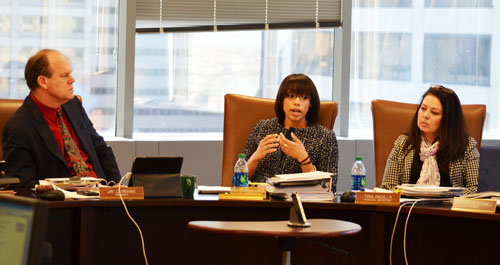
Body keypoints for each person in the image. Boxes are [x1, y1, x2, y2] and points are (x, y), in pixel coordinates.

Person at [1, 49, 121, 189]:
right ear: (43, 81)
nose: (72, 80)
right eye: (65, 75)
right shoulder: (19, 127)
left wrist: (119, 189)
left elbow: (99, 147)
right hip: (64, 203)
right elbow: (24, 185)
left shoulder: (73, 105)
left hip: (101, 193)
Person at [380, 85, 479, 195]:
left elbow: (475, 189)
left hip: (449, 210)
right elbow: (387, 187)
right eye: (423, 108)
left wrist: (452, 201)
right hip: (408, 209)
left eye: (435, 112)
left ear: (448, 119)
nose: (425, 115)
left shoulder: (466, 146)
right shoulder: (403, 142)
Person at [244, 73, 338, 183]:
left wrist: (304, 159)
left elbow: (330, 187)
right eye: (291, 96)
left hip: (298, 198)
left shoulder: (325, 136)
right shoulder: (262, 128)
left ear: (310, 103)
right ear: (282, 100)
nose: (297, 102)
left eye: (304, 97)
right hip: (261, 197)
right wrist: (255, 157)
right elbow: (237, 179)